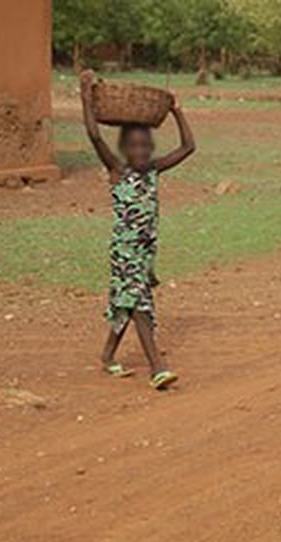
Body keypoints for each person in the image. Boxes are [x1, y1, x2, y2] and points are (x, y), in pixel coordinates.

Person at [79, 70, 196, 390]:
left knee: (125, 303)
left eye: (146, 145)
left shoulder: (155, 170)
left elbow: (189, 147)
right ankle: (158, 367)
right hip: (125, 251)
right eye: (134, 146)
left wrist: (176, 111)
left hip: (145, 252)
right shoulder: (117, 170)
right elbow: (93, 135)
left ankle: (107, 355)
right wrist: (86, 97)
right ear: (124, 150)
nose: (141, 151)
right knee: (139, 303)